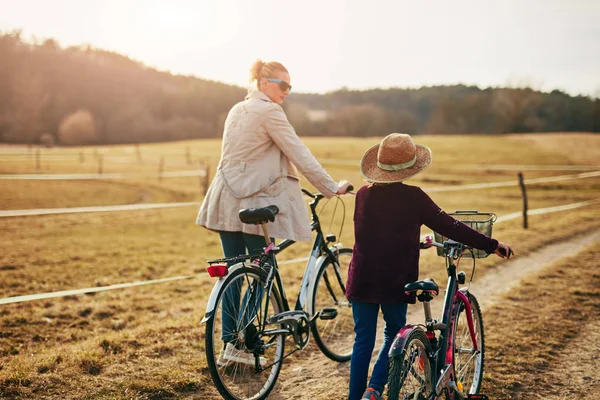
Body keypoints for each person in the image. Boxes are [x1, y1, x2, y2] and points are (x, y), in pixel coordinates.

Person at [196, 59, 353, 366]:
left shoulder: (237, 109)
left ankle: (231, 344)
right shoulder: (269, 111)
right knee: (263, 270)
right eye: (283, 85)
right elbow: (299, 153)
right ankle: (241, 339)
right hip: (253, 201)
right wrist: (330, 187)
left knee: (235, 272)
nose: (287, 92)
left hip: (226, 200)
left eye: (290, 87)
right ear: (264, 83)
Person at [346, 133, 514, 400]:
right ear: (408, 168)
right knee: (393, 333)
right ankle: (375, 389)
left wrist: (412, 241)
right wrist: (491, 244)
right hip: (394, 279)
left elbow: (376, 233)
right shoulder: (414, 197)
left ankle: (355, 397)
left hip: (362, 276)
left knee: (362, 341)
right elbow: (451, 226)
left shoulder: (363, 194)